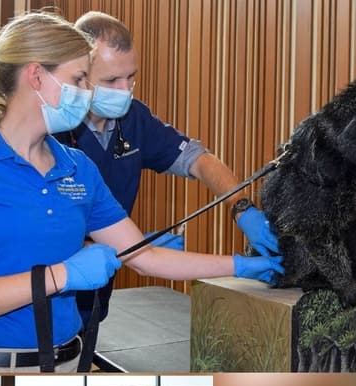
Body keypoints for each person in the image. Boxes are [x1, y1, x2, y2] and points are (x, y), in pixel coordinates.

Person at [0, 11, 281, 373]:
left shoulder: (79, 167)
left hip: (67, 364)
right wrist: (62, 275)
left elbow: (145, 257)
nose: (88, 93)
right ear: (36, 76)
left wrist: (242, 266)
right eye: (80, 79)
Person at [54, 11, 282, 329]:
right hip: (45, 300)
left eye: (131, 77)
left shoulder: (135, 119)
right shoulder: (52, 132)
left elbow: (201, 161)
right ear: (78, 75)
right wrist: (126, 249)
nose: (125, 89)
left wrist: (242, 209)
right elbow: (38, 238)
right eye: (111, 81)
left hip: (92, 305)